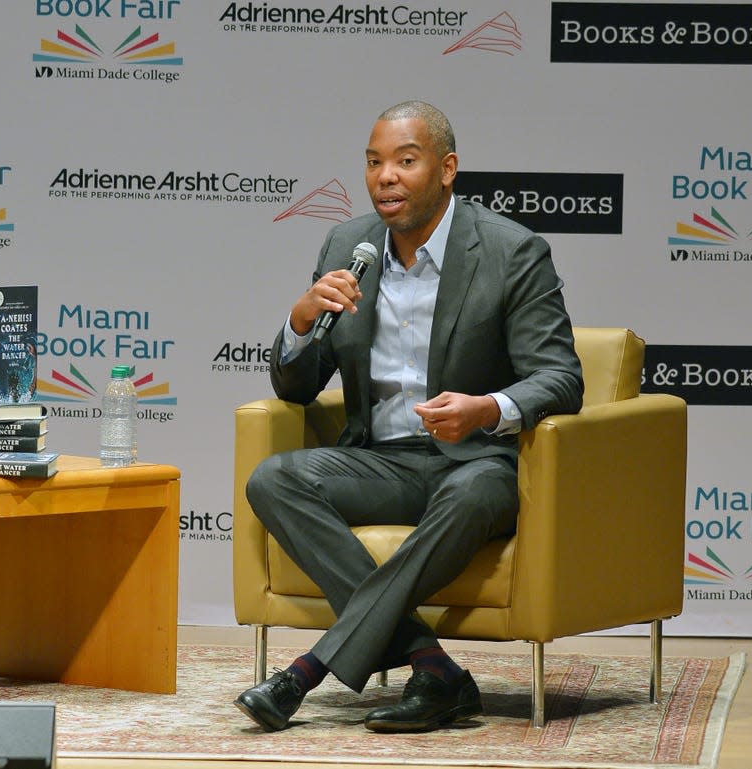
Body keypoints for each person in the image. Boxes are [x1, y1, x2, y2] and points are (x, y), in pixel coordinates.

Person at [235, 101, 584, 733]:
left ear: (447, 169)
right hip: (381, 459)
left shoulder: (511, 251)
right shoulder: (348, 245)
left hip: (477, 463)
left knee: (474, 492)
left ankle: (309, 671)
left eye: (404, 161)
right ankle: (433, 666)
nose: (385, 177)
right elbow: (298, 387)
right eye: (373, 163)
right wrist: (301, 318)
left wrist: (487, 410)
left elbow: (561, 377)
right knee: (273, 479)